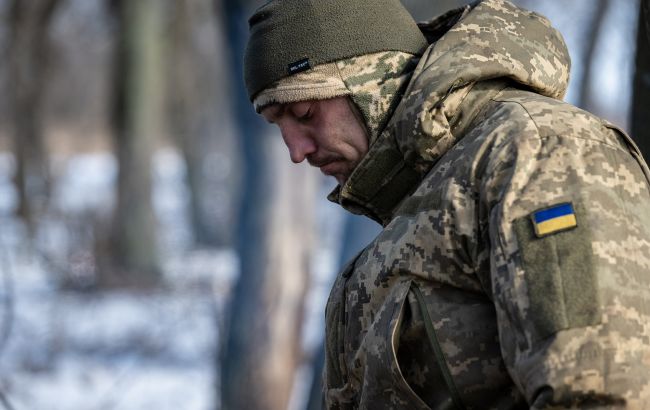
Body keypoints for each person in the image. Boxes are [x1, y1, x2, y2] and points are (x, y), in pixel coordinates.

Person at [244, 0, 650, 408]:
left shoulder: (537, 152)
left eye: (305, 111)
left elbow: (599, 392)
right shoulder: (415, 207)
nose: (296, 151)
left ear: (371, 79)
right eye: (279, 126)